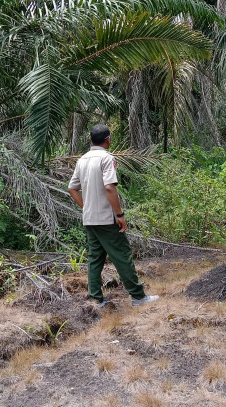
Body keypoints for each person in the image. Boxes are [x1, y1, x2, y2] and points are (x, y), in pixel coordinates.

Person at [67, 124, 158, 307]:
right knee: (122, 254)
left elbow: (72, 188)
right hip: (106, 218)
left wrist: (86, 207)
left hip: (90, 218)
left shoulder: (82, 160)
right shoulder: (107, 159)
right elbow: (109, 187)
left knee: (95, 257)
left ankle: (96, 299)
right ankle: (138, 297)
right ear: (108, 139)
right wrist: (119, 214)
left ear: (90, 140)